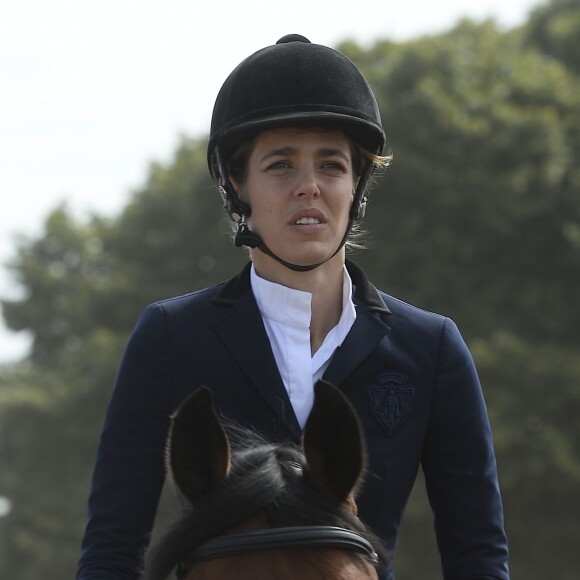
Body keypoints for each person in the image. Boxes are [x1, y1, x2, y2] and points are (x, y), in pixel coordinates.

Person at [77, 34, 509, 579]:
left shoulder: (431, 348)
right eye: (281, 166)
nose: (309, 187)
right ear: (237, 185)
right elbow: (113, 550)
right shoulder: (168, 336)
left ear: (357, 186)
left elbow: (478, 556)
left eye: (331, 166)